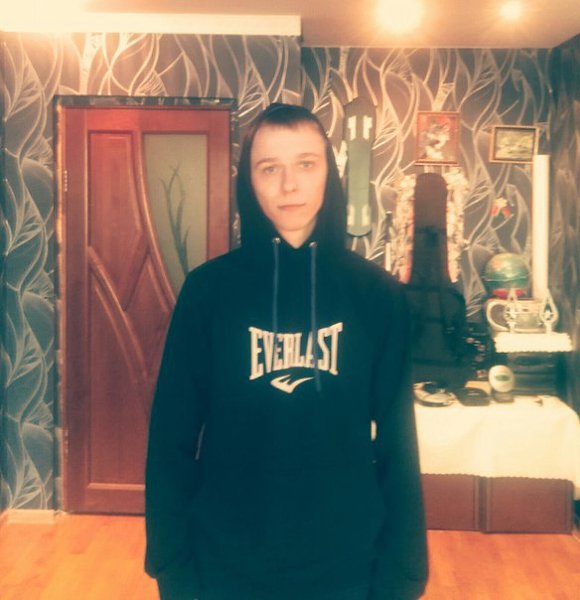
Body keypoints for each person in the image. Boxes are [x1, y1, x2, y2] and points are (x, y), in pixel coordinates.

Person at [145, 103, 428, 600]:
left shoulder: (377, 295)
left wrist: (404, 572)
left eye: (305, 164)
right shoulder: (209, 292)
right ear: (248, 183)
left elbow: (398, 440)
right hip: (223, 565)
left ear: (329, 174)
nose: (289, 185)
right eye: (269, 168)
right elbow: (171, 435)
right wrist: (170, 564)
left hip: (348, 565)